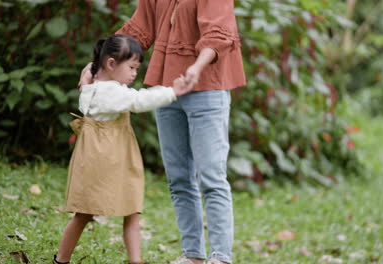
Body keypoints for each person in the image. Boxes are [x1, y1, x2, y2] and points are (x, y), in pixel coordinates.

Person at [114, 1, 247, 264]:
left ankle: (220, 257)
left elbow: (218, 33)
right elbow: (138, 30)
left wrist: (196, 69)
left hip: (207, 88)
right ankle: (193, 255)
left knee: (212, 177)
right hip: (167, 90)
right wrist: (95, 66)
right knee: (178, 178)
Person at [53, 34, 191, 264]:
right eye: (131, 67)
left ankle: (62, 259)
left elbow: (93, 72)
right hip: (111, 158)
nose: (134, 73)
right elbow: (139, 101)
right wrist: (172, 92)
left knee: (85, 214)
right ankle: (134, 261)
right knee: (130, 210)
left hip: (96, 157)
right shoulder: (111, 92)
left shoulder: (93, 85)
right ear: (111, 63)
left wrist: (88, 71)